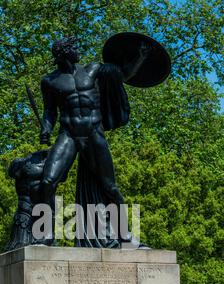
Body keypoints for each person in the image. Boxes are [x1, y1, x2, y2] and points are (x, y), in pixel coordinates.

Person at [39, 36, 149, 246]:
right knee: (47, 181)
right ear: (65, 53)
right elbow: (49, 111)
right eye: (74, 48)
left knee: (110, 187)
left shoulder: (93, 70)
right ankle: (45, 234)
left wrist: (140, 58)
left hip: (93, 133)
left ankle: (125, 235)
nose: (78, 51)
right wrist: (45, 128)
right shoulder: (50, 81)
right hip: (69, 134)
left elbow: (123, 75)